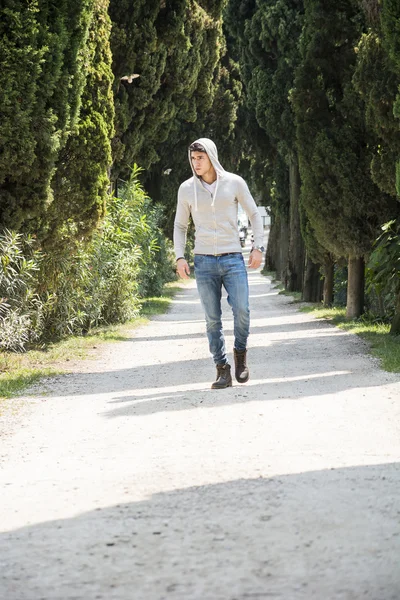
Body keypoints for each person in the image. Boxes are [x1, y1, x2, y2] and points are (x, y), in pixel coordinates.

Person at [173, 138, 265, 389]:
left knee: (243, 310)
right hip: (203, 261)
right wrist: (179, 256)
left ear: (211, 157)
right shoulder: (186, 189)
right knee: (212, 319)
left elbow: (254, 214)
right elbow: (181, 225)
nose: (196, 163)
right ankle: (222, 369)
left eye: (200, 158)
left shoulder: (234, 183)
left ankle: (240, 355)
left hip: (233, 257)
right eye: (193, 159)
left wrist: (258, 247)